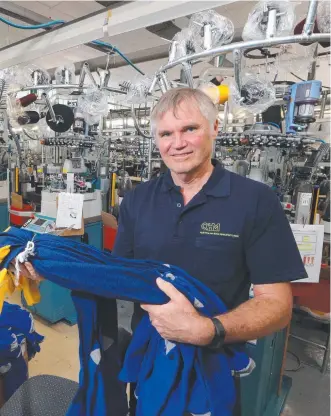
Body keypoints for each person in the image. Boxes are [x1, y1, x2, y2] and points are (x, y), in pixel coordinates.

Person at [21, 88, 307, 415]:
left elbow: (277, 305)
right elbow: (117, 277)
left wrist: (208, 330)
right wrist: (52, 266)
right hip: (150, 363)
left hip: (213, 367)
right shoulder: (138, 200)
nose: (178, 142)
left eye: (190, 129)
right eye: (166, 133)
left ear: (214, 128)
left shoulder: (255, 201)